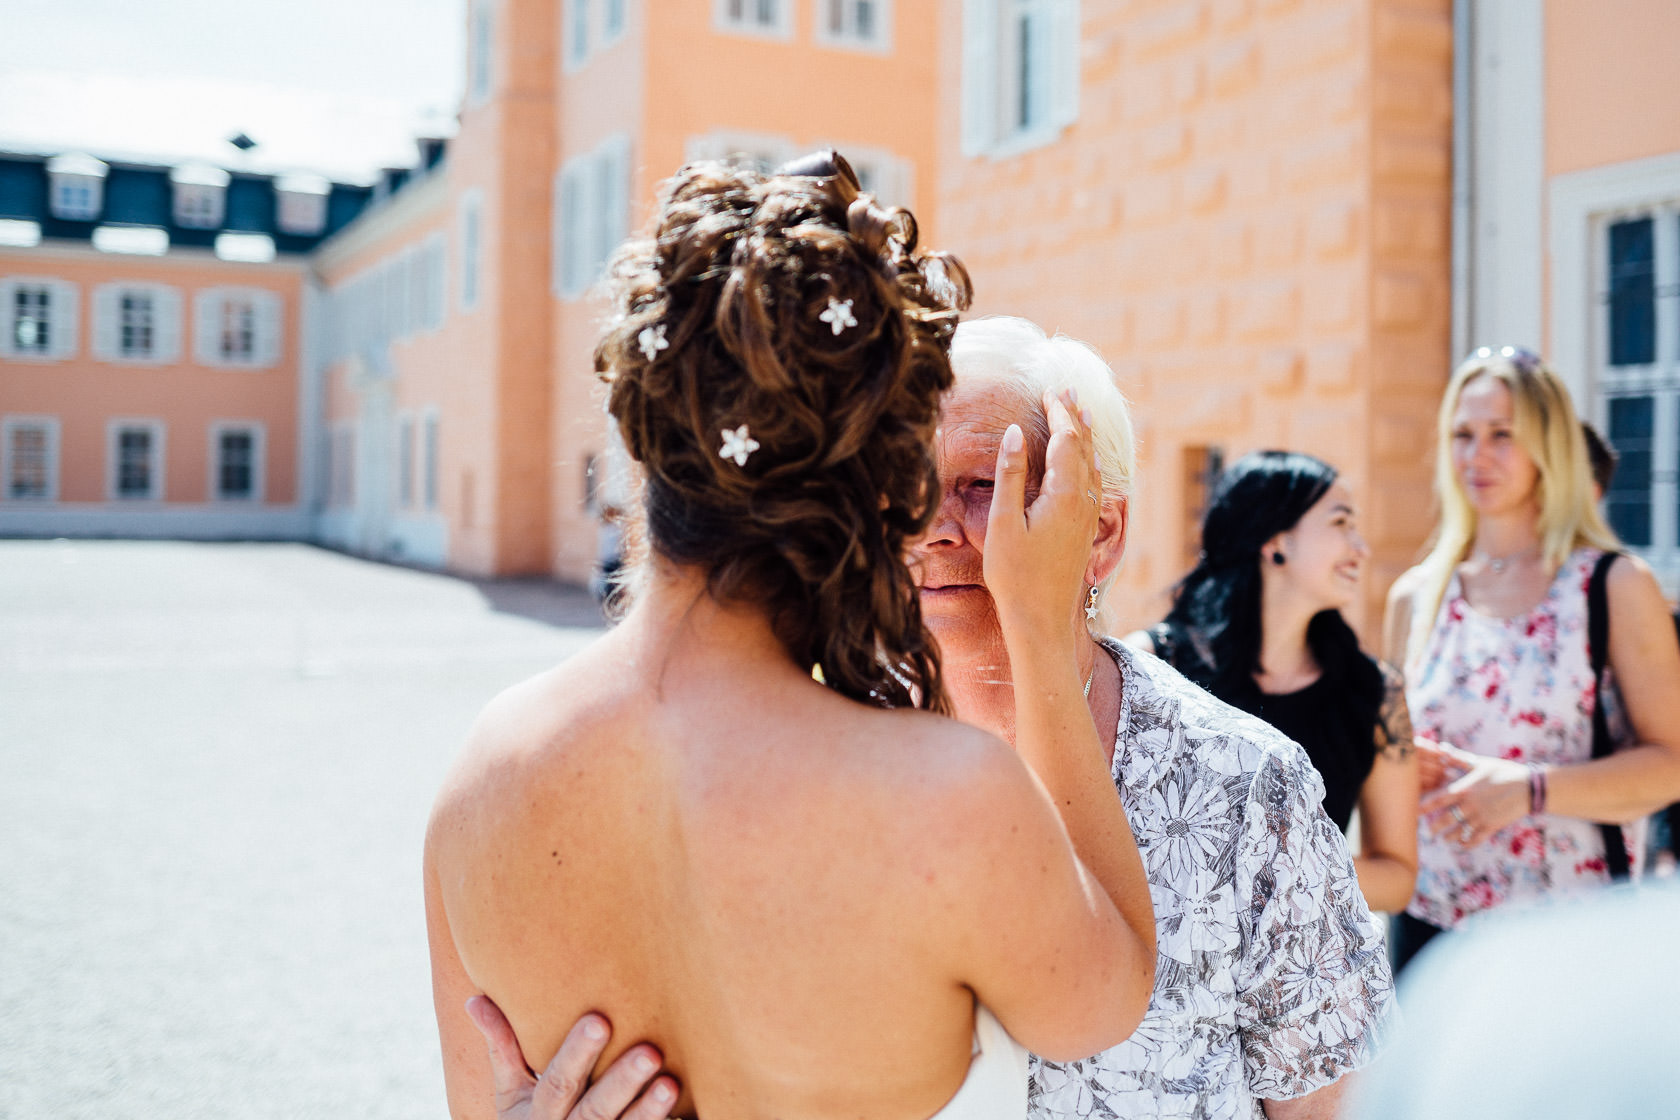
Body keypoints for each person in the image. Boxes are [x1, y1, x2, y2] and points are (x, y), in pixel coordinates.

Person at [467, 317, 1396, 1120]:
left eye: (983, 484)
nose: (932, 527)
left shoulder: (1243, 787)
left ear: (1098, 532)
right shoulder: (801, 756)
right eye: (905, 488)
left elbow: (1337, 1101)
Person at [424, 156, 1157, 1120]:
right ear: (881, 485)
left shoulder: (480, 779)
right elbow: (1111, 996)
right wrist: (1037, 620)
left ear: (646, 445)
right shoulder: (948, 798)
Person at [1382, 344, 1680, 972]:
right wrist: (1400, 768)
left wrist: (1528, 790)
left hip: (1570, 939)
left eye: (1501, 434)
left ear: (1549, 448)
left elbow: (1672, 765)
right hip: (1431, 933)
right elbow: (1387, 769)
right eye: (1463, 434)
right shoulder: (1416, 595)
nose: (1476, 454)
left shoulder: (1613, 585)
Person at [1123, 451, 1419, 914]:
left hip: (1302, 975)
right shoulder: (1151, 667)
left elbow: (1397, 878)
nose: (1361, 547)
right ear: (1276, 540)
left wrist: (1282, 858)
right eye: (1341, 523)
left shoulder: (1375, 692)